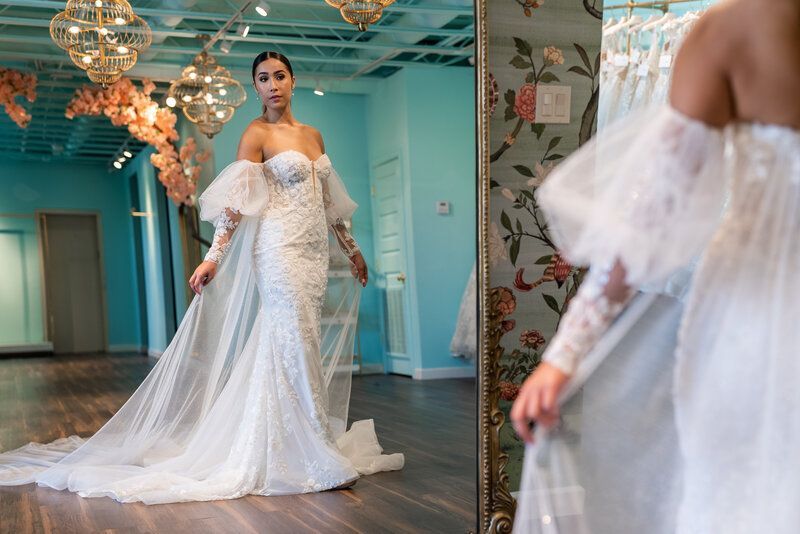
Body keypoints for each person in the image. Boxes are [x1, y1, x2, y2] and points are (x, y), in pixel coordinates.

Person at [0, 51, 403, 505]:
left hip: (312, 255)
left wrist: (352, 251)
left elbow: (327, 201)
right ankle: (315, 451)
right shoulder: (257, 133)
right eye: (263, 78)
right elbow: (236, 204)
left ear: (293, 81)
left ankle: (294, 442)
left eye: (280, 76)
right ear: (255, 88)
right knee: (295, 341)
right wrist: (213, 257)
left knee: (296, 341)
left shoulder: (313, 135)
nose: (272, 85)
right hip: (276, 251)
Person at [510, 1, 800, 532]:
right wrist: (566, 353)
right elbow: (646, 223)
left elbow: (644, 225)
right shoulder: (730, 31)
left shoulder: (728, 32)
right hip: (752, 327)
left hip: (749, 317)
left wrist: (566, 352)